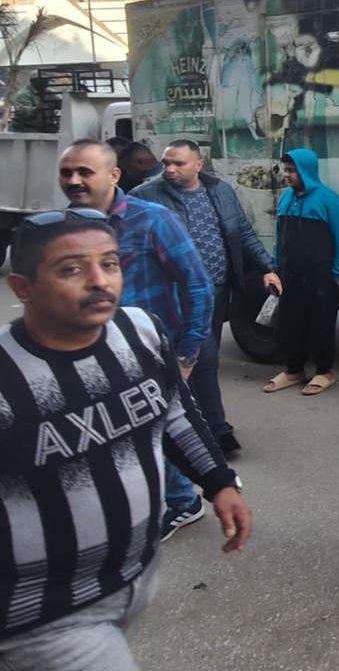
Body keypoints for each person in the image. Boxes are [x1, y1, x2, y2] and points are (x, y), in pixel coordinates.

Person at [0, 208, 251, 671]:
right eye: (71, 269)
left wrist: (219, 482)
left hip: (135, 577)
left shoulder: (140, 331)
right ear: (23, 288)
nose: (100, 281)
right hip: (46, 615)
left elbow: (174, 413)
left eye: (110, 263)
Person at [57, 140, 217, 540]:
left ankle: (184, 501)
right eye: (66, 173)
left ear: (114, 175)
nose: (74, 181)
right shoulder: (64, 227)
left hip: (148, 352)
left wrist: (187, 354)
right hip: (90, 351)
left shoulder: (153, 219)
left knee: (159, 429)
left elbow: (198, 285)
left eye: (84, 172)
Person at [133, 139, 280, 456]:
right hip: (176, 296)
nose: (169, 169)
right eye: (166, 162)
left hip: (216, 290)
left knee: (198, 361)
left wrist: (267, 268)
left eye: (179, 163)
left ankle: (190, 422)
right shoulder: (145, 196)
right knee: (202, 358)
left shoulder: (220, 191)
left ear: (198, 164)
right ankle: (215, 429)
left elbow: (242, 232)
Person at [261, 148, 339, 395]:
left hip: (321, 277)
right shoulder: (286, 199)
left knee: (321, 326)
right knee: (288, 326)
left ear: (306, 170)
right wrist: (276, 267)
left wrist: (338, 274)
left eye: (292, 171)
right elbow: (280, 237)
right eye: (285, 170)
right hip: (289, 276)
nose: (287, 175)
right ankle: (294, 371)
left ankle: (324, 372)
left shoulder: (328, 199)